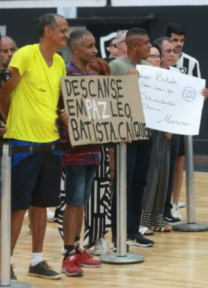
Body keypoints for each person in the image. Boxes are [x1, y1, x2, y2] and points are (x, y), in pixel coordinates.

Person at [0, 13, 69, 280]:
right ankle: (4, 263)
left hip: (51, 143)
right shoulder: (25, 55)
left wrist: (62, 114)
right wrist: (8, 119)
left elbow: (59, 99)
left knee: (41, 204)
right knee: (18, 205)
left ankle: (37, 260)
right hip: (22, 143)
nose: (66, 34)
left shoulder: (60, 61)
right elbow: (4, 91)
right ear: (48, 31)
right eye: (62, 30)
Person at [56, 28, 102, 276]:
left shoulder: (93, 76)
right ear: (75, 48)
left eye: (95, 45)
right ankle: (67, 255)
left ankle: (77, 247)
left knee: (82, 201)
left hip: (93, 148)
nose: (95, 50)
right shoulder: (64, 73)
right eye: (90, 46)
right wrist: (61, 119)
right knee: (73, 202)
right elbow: (52, 111)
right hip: (73, 150)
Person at [109, 27, 154, 250]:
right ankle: (118, 233)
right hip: (125, 135)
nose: (149, 46)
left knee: (139, 182)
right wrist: (125, 83)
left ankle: (133, 231)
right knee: (122, 184)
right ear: (135, 45)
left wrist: (198, 95)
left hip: (146, 131)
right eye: (146, 43)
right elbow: (107, 97)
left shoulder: (149, 68)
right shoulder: (116, 66)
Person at [165, 23, 203, 219]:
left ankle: (173, 204)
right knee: (160, 164)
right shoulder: (157, 60)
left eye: (181, 41)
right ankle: (158, 204)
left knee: (179, 162)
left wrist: (204, 94)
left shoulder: (192, 63)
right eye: (174, 40)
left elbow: (197, 92)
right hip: (160, 120)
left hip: (180, 121)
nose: (178, 44)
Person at [140, 40, 175, 235]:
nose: (157, 59)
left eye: (157, 56)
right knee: (150, 175)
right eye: (152, 56)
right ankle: (141, 220)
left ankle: (157, 218)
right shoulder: (141, 77)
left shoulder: (167, 77)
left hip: (164, 132)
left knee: (162, 173)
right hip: (146, 132)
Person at [83, 58, 114, 255]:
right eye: (90, 73)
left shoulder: (110, 100)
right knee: (76, 196)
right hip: (77, 151)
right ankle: (72, 242)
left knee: (100, 196)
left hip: (101, 151)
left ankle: (99, 236)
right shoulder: (77, 95)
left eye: (98, 74)